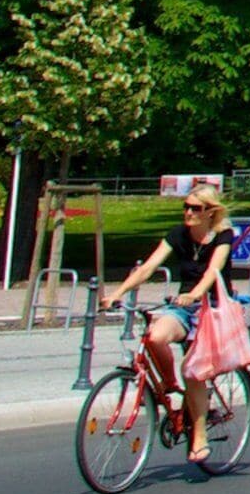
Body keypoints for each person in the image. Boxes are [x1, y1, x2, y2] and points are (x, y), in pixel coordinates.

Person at [102, 185, 241, 464]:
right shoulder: (178, 234)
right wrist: (116, 293)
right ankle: (168, 386)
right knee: (154, 336)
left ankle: (199, 437)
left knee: (193, 372)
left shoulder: (223, 236)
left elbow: (214, 272)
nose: (188, 212)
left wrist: (195, 294)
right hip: (182, 306)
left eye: (195, 208)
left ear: (210, 212)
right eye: (186, 207)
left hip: (210, 307)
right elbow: (148, 267)